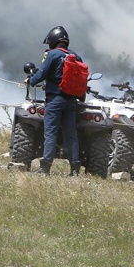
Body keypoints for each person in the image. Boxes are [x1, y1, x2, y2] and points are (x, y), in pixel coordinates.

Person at [25, 25, 83, 176]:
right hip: (71, 101)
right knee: (71, 134)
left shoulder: (52, 54)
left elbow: (42, 74)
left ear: (53, 40)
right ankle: (75, 170)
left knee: (50, 133)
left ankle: (45, 169)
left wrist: (31, 80)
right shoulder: (76, 56)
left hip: (55, 100)